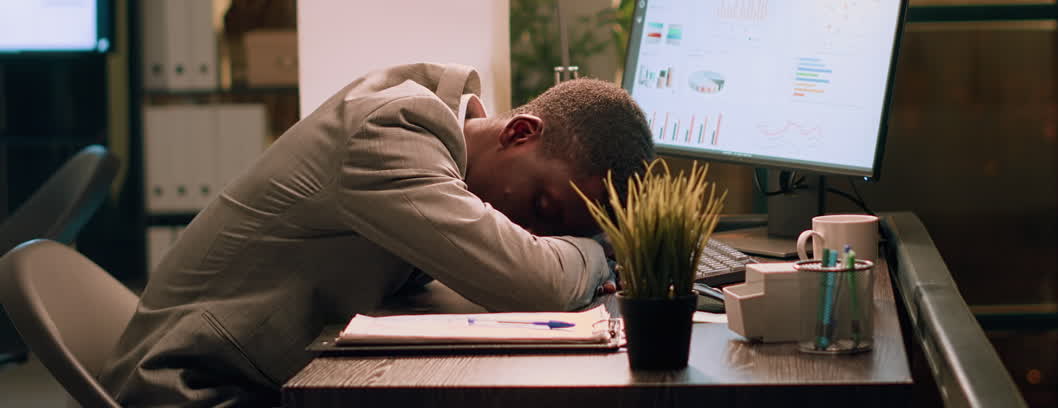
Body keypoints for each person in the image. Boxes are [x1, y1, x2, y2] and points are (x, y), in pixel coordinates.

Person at [100, 62, 654, 406]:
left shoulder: (441, 148)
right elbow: (537, 282)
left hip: (255, 376)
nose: (533, 232)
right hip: (191, 388)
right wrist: (598, 251)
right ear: (520, 132)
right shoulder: (392, 135)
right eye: (542, 207)